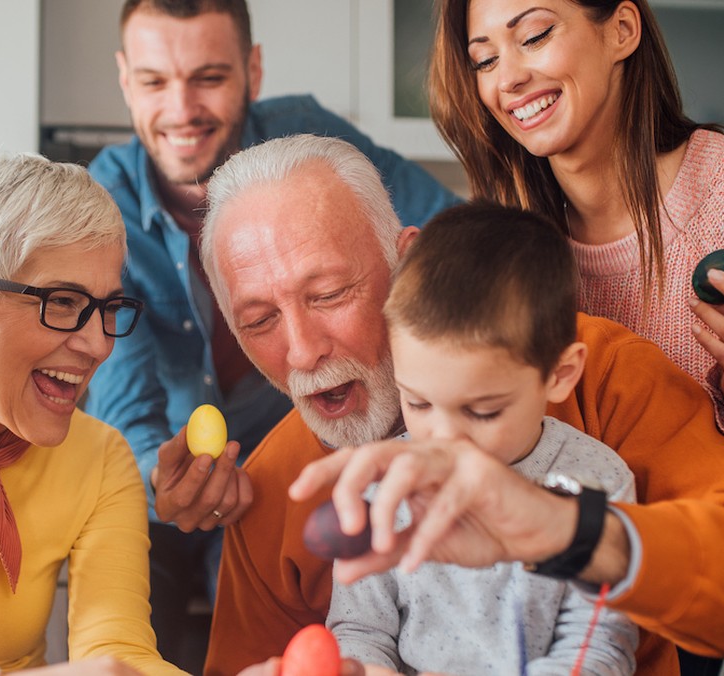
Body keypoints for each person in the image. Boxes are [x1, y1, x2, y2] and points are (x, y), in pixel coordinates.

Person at [196, 134, 724, 676]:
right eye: (258, 321)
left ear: (407, 263)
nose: (303, 350)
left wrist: (573, 531)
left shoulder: (603, 379)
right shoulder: (277, 486)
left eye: (330, 293)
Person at [426, 0, 724, 672]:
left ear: (621, 30)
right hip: (653, 542)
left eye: (534, 35)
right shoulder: (516, 230)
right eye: (486, 58)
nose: (510, 77)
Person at [84, 1, 461, 662]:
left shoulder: (311, 143)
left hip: (313, 465)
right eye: (153, 82)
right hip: (181, 489)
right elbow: (126, 412)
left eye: (209, 77)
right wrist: (164, 482)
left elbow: (456, 245)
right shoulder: (104, 210)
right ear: (123, 80)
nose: (180, 109)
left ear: (253, 71)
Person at [327, 203, 638, 675]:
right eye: (419, 403)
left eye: (483, 411)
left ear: (560, 373)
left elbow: (598, 651)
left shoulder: (598, 484)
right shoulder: (384, 485)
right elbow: (360, 629)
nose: (444, 438)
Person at [0, 153, 183, 675]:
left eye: (109, 308)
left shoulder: (101, 459)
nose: (98, 344)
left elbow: (120, 652)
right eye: (62, 302)